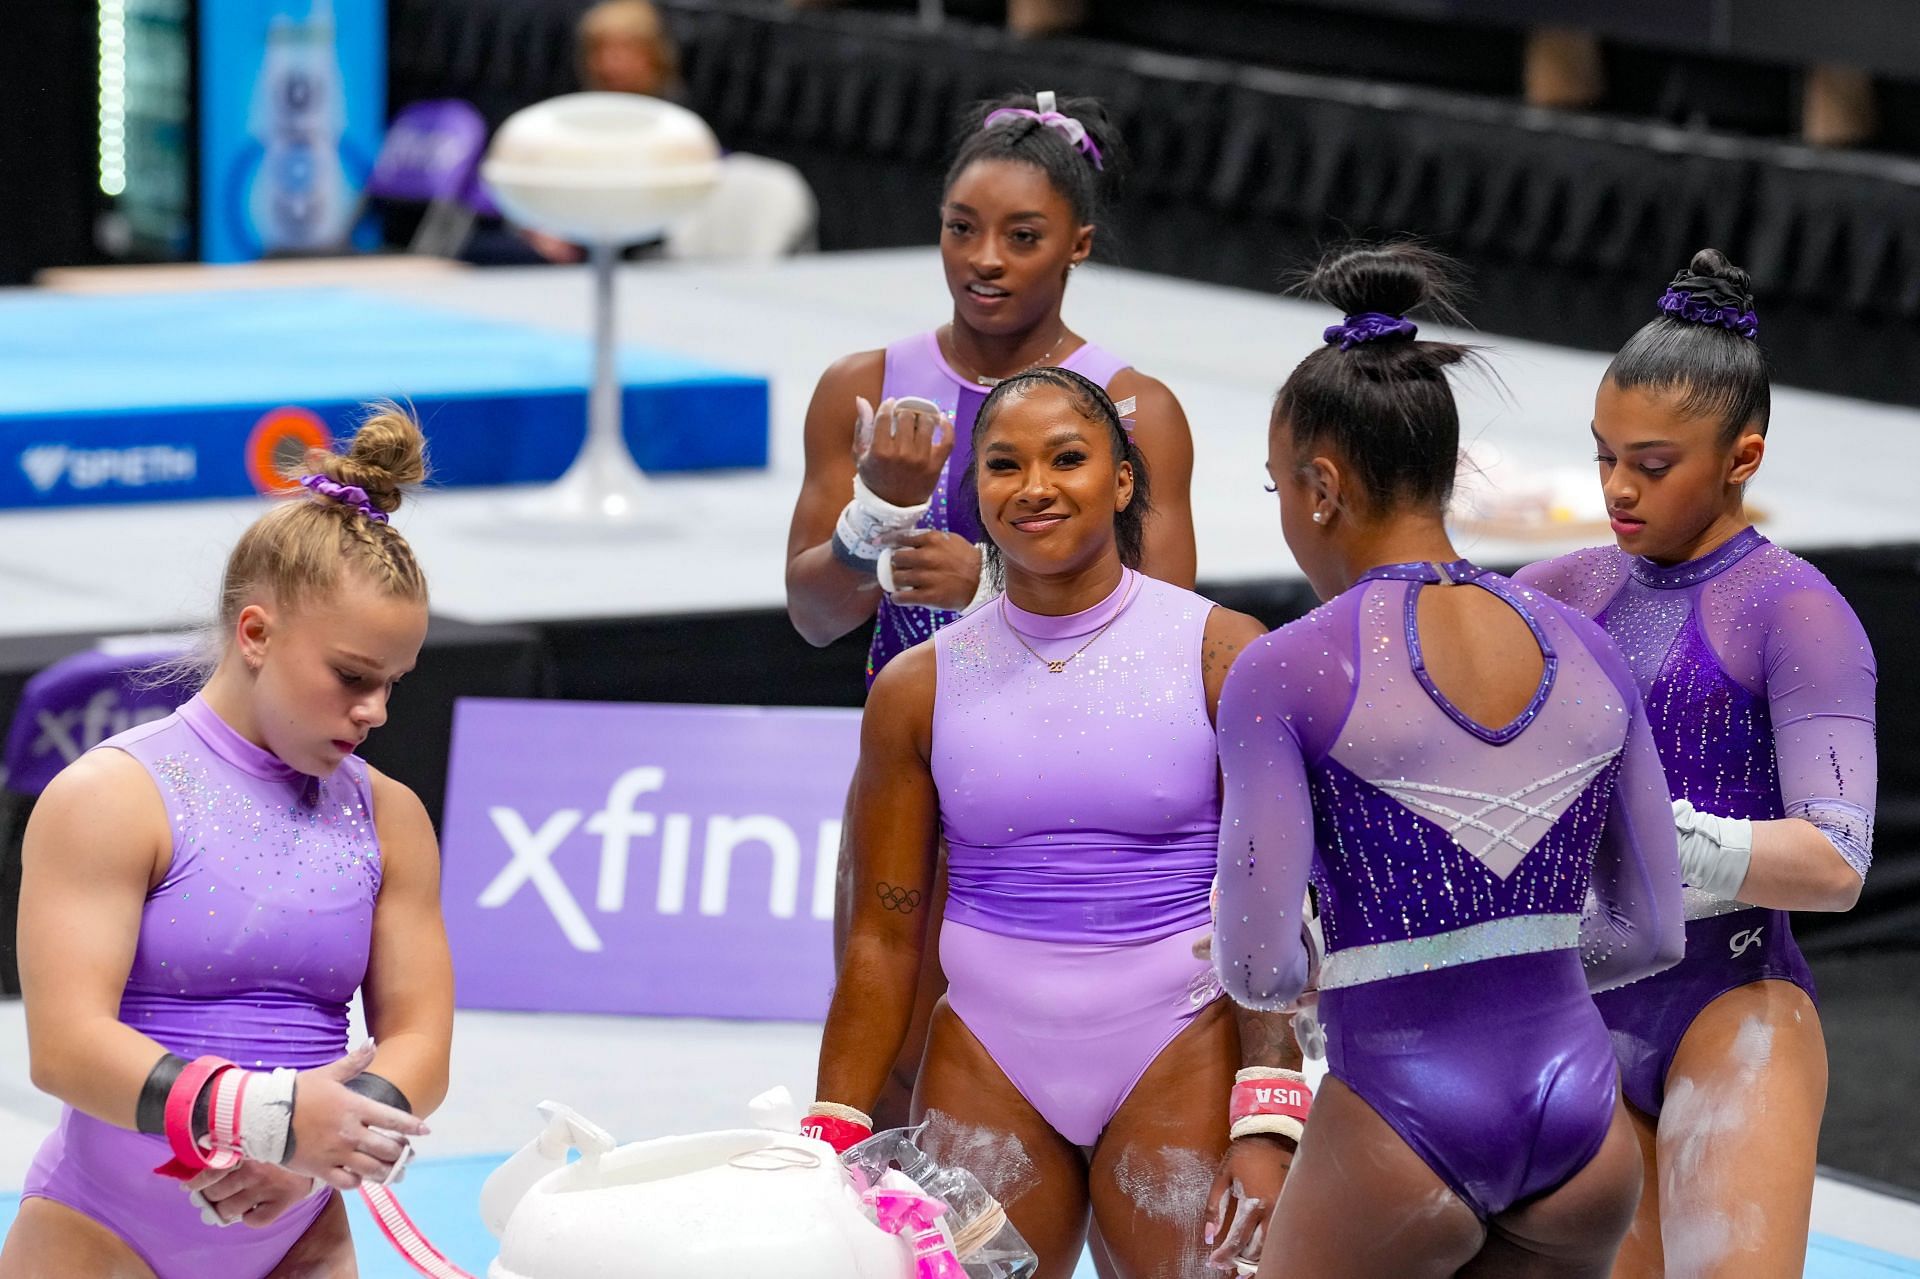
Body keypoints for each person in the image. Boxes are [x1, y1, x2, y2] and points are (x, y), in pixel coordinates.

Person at [1212, 243, 1686, 1276]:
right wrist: (1512, 958)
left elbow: (1256, 966)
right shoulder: (1589, 644)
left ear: (1321, 486)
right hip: (1581, 1122)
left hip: (1397, 1116)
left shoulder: (1285, 671)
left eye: (1276, 486)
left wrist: (1358, 972)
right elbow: (1653, 927)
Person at [811, 369, 1292, 1279]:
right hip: (988, 1057)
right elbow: (882, 931)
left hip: (1179, 1047)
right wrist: (832, 1123)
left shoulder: (1225, 653)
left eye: (1067, 458)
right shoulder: (916, 687)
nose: (1035, 486)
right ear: (974, 491)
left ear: (1120, 480)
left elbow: (1267, 909)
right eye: (1004, 465)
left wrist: (1269, 1107)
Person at [785, 90, 1197, 1131]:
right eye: (962, 229)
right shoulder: (863, 389)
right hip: (911, 776)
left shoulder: (1134, 409)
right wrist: (874, 514)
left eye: (1023, 237)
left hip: (1078, 790)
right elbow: (813, 613)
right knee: (886, 1069)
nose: (987, 259)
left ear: (1079, 245)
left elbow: (1171, 634)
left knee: (1100, 1090)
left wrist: (990, 586)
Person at [0, 407, 457, 1279]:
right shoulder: (112, 796)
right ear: (256, 633)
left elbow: (423, 1041)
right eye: (353, 677)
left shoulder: (390, 815)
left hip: (299, 1230)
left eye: (394, 683)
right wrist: (280, 1118)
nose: (376, 711)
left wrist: (324, 1151)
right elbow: (63, 1044)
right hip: (102, 1233)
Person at [1516, 249, 1878, 1278]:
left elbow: (1837, 860)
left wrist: (1645, 836)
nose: (1619, 488)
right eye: (1603, 457)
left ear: (1741, 454)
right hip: (1574, 1005)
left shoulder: (1799, 614)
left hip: (1732, 1005)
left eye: (1653, 462)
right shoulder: (1554, 588)